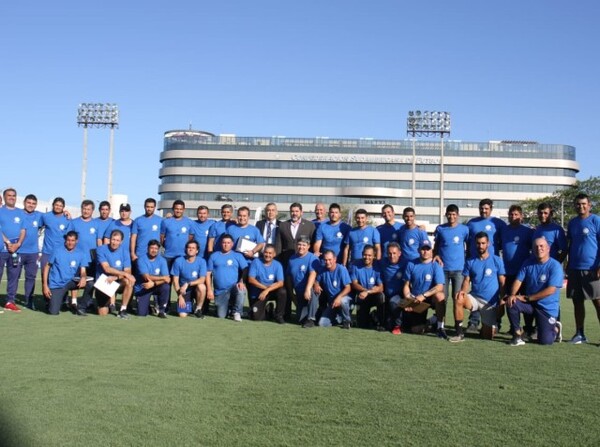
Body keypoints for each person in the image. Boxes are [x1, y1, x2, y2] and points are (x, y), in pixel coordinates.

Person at [506, 238, 563, 346]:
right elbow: (518, 280)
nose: (539, 248)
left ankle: (555, 329)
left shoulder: (555, 266)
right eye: (536, 246)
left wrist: (528, 298)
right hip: (531, 305)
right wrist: (513, 295)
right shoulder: (527, 263)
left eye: (542, 246)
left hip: (546, 308)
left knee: (545, 341)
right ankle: (517, 334)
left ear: (548, 249)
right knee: (511, 302)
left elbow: (551, 290)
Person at [450, 232, 506, 342]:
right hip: (474, 298)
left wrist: (502, 299)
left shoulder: (497, 260)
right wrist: (462, 292)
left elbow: (502, 282)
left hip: (490, 303)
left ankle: (490, 327)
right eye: (478, 243)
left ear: (488, 244)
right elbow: (466, 280)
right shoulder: (470, 261)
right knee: (458, 298)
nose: (480, 246)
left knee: (488, 336)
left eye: (483, 243)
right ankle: (459, 332)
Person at [465, 198, 507, 332]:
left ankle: (496, 322)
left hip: (492, 263)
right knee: (475, 291)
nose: (484, 210)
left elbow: (504, 241)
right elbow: (466, 241)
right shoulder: (471, 223)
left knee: (493, 292)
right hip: (475, 262)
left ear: (491, 209)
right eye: (481, 208)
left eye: (486, 208)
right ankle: (473, 322)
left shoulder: (498, 223)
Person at [565, 193, 600, 344]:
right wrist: (568, 263)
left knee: (598, 302)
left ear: (589, 205)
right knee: (577, 301)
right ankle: (580, 334)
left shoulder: (596, 220)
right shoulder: (572, 223)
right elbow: (571, 244)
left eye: (584, 204)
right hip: (574, 268)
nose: (581, 206)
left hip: (592, 269)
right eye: (578, 204)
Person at [401, 240, 447, 338]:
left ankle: (440, 327)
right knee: (415, 330)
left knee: (440, 296)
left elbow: (439, 286)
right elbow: (406, 285)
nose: (425, 251)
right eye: (423, 249)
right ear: (418, 250)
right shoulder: (411, 264)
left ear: (432, 251)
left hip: (430, 297)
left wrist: (424, 295)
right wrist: (409, 300)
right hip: (416, 299)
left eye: (428, 249)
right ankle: (431, 321)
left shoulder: (436, 265)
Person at [41, 231, 93, 316]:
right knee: (53, 312)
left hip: (71, 282)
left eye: (72, 240)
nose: (70, 243)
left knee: (90, 284)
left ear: (77, 241)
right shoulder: (57, 250)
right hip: (57, 284)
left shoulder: (81, 253)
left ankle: (81, 307)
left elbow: (83, 271)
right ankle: (55, 301)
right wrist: (45, 286)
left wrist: (83, 277)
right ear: (65, 240)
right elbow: (47, 267)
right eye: (68, 240)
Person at [500, 205, 534, 332]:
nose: (513, 217)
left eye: (516, 214)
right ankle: (514, 327)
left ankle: (529, 327)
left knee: (525, 300)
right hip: (508, 271)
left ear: (521, 216)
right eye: (511, 214)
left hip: (524, 272)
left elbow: (535, 249)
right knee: (510, 299)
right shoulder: (504, 230)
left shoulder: (528, 231)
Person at [433, 204, 469, 312]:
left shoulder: (464, 229)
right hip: (443, 269)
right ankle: (441, 325)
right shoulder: (440, 229)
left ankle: (458, 326)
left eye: (454, 214)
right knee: (442, 298)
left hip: (459, 269)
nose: (451, 217)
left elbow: (469, 246)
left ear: (458, 215)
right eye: (449, 214)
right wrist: (436, 255)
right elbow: (436, 247)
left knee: (457, 298)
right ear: (446, 215)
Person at [206, 234, 248, 321]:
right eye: (224, 242)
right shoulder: (214, 256)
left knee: (241, 290)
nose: (226, 244)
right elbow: (208, 273)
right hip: (220, 291)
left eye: (228, 243)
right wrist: (209, 289)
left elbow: (245, 269)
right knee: (221, 315)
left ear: (232, 244)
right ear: (221, 244)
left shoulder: (237, 256)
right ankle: (229, 308)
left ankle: (237, 312)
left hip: (233, 288)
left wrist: (241, 281)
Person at [95, 229, 135, 319]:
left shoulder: (125, 252)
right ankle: (105, 303)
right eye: (113, 239)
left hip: (117, 281)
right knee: (103, 313)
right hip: (104, 282)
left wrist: (116, 277)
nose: (114, 242)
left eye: (117, 240)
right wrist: (123, 274)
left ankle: (123, 310)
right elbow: (107, 268)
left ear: (121, 241)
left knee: (128, 281)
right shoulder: (101, 249)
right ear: (109, 239)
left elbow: (128, 271)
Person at [285, 236, 320, 328]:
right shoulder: (292, 259)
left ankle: (311, 319)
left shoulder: (312, 258)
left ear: (308, 246)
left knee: (313, 291)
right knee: (300, 319)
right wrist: (292, 296)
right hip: (299, 292)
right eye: (299, 244)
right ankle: (309, 316)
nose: (301, 247)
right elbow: (288, 277)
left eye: (304, 245)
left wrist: (307, 289)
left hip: (309, 290)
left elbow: (313, 273)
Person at [0, 188, 26, 312]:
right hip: (2, 250)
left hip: (16, 250)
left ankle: (10, 301)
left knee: (14, 276)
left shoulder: (21, 213)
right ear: (4, 197)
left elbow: (23, 230)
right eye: (9, 195)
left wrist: (18, 244)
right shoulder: (0, 211)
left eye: (14, 195)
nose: (12, 197)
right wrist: (8, 242)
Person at [314, 250, 353, 329]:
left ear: (335, 259)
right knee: (322, 323)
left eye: (329, 260)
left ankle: (347, 320)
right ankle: (339, 318)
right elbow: (317, 281)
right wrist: (316, 284)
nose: (327, 262)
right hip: (332, 303)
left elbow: (348, 288)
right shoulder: (322, 270)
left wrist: (339, 297)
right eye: (325, 260)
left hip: (344, 300)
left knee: (343, 301)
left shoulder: (341, 269)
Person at [248, 244, 286, 323]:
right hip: (259, 292)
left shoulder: (278, 265)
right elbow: (251, 279)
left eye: (270, 253)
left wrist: (268, 290)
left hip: (271, 291)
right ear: (263, 253)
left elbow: (281, 283)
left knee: (282, 292)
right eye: (266, 252)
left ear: (274, 254)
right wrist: (265, 289)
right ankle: (269, 311)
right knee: (256, 317)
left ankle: (279, 316)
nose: (267, 255)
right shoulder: (256, 262)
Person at [350, 245, 385, 331]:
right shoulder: (355, 265)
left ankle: (380, 322)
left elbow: (381, 288)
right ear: (362, 254)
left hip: (373, 295)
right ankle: (372, 316)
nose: (367, 257)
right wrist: (365, 291)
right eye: (365, 255)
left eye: (369, 255)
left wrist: (368, 292)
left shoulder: (378, 266)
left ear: (374, 256)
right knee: (363, 325)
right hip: (362, 296)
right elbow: (354, 284)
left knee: (381, 296)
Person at [133, 239, 171, 318]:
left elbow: (167, 279)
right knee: (141, 314)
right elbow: (146, 277)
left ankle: (161, 310)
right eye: (152, 248)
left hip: (155, 286)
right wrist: (163, 278)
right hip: (143, 287)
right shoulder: (141, 259)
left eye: (156, 248)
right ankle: (148, 307)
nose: (154, 250)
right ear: (148, 248)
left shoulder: (162, 260)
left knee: (166, 287)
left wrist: (154, 283)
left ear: (158, 250)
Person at [171, 240, 207, 318]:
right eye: (189, 247)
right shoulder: (178, 261)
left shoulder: (202, 261)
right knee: (182, 315)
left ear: (197, 250)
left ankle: (198, 309)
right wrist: (180, 296)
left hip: (196, 288)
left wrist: (188, 284)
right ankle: (189, 305)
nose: (191, 249)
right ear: (186, 249)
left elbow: (202, 279)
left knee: (202, 287)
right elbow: (175, 281)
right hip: (184, 291)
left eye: (193, 248)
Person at [21, 194, 43, 310]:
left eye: (33, 203)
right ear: (24, 202)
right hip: (17, 251)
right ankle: (10, 300)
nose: (31, 205)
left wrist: (65, 212)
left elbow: (53, 216)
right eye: (29, 203)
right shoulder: (18, 214)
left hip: (33, 252)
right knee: (14, 277)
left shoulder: (39, 215)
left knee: (31, 277)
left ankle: (29, 300)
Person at [276, 202, 316, 267]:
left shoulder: (310, 225)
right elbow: (278, 246)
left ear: (301, 212)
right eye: (292, 211)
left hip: (305, 261)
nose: (294, 213)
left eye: (297, 211)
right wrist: (278, 260)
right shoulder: (283, 225)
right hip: (287, 260)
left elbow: (313, 243)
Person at [39, 197, 72, 271]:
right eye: (56, 205)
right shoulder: (45, 216)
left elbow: (69, 236)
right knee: (44, 275)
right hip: (47, 252)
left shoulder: (67, 218)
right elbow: (37, 228)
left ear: (63, 207)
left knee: (58, 276)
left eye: (60, 206)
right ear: (53, 205)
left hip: (61, 252)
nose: (58, 207)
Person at [160, 199, 194, 270]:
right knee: (167, 279)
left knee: (181, 279)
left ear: (184, 209)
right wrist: (166, 245)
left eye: (180, 209)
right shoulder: (166, 222)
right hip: (168, 255)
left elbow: (190, 237)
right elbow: (161, 237)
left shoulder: (189, 222)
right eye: (176, 209)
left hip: (183, 255)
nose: (178, 211)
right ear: (173, 209)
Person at [381, 242, 404, 334]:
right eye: (389, 253)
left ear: (399, 253)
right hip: (387, 295)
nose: (392, 256)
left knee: (393, 301)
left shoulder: (405, 264)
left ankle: (398, 326)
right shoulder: (383, 262)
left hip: (400, 296)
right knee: (387, 325)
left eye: (394, 253)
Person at [130, 198, 163, 263]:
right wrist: (132, 253)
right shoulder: (138, 220)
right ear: (144, 207)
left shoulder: (160, 220)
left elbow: (163, 236)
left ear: (155, 207)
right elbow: (133, 238)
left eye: (151, 207)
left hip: (155, 255)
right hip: (140, 254)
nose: (149, 209)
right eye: (147, 207)